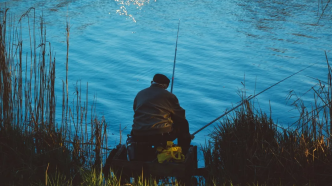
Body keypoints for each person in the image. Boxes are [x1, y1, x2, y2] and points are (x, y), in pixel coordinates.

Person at [128, 73, 192, 161]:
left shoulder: (140, 94)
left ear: (152, 82)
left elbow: (135, 110)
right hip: (159, 135)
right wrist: (186, 135)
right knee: (184, 123)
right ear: (165, 86)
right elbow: (180, 117)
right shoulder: (169, 96)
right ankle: (183, 152)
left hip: (138, 134)